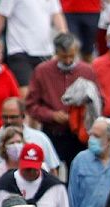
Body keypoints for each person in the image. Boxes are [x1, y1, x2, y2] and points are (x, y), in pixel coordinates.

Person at [27, 32, 95, 164]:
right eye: (64, 57)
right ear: (56, 53)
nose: (68, 61)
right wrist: (51, 115)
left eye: (71, 56)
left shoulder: (87, 71)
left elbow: (98, 102)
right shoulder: (42, 71)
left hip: (78, 135)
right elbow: (31, 105)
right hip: (52, 132)